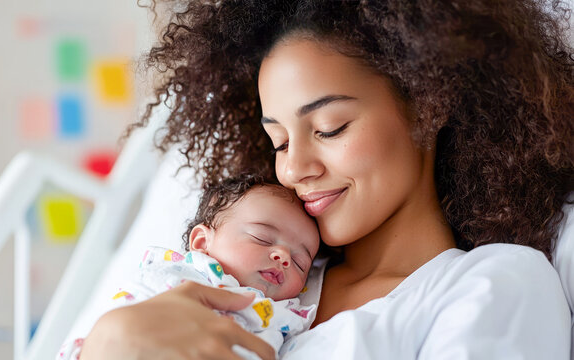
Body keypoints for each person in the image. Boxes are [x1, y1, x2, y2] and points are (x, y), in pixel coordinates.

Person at [81, 0, 574, 359]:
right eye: (278, 143)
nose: (294, 169)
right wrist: (105, 345)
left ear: (429, 103)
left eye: (329, 128)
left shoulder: (495, 283)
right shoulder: (246, 274)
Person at [58, 174, 320, 359]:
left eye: (300, 263)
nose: (284, 257)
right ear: (202, 242)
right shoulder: (179, 276)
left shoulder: (287, 318)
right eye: (262, 238)